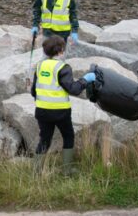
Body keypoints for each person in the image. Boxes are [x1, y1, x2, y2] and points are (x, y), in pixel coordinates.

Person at [31, 35, 96, 175]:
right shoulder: (63, 67)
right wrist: (85, 80)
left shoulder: (40, 66)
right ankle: (67, 170)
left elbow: (33, 91)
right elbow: (74, 89)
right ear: (61, 50)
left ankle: (36, 172)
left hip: (42, 111)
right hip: (60, 112)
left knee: (44, 140)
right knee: (68, 137)